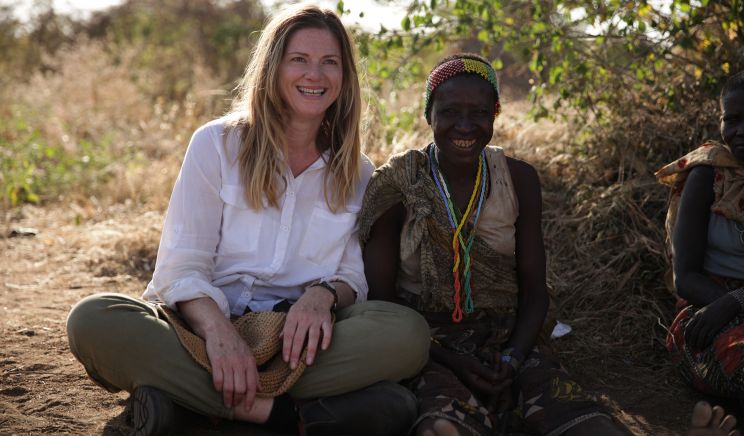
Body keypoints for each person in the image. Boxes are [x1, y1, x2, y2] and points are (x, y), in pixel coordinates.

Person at [66, 5, 429, 435]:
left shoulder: (358, 171)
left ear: (345, 77)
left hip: (296, 346)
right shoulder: (216, 145)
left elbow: (352, 272)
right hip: (202, 334)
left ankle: (191, 405)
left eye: (329, 62)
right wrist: (221, 336)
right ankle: (280, 414)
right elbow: (182, 265)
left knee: (407, 334)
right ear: (274, 67)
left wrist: (323, 297)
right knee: (93, 319)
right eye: (300, 60)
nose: (315, 75)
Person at [360, 53, 626, 435]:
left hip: (507, 335)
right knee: (440, 421)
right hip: (424, 341)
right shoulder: (400, 183)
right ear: (428, 114)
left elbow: (535, 293)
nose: (465, 125)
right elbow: (381, 303)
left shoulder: (518, 180)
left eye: (480, 112)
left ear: (495, 113)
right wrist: (448, 359)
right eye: (450, 111)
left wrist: (513, 358)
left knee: (573, 414)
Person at [658, 71, 744, 398]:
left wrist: (737, 301)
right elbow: (686, 277)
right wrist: (726, 304)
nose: (741, 131)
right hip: (708, 305)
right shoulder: (707, 174)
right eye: (732, 119)